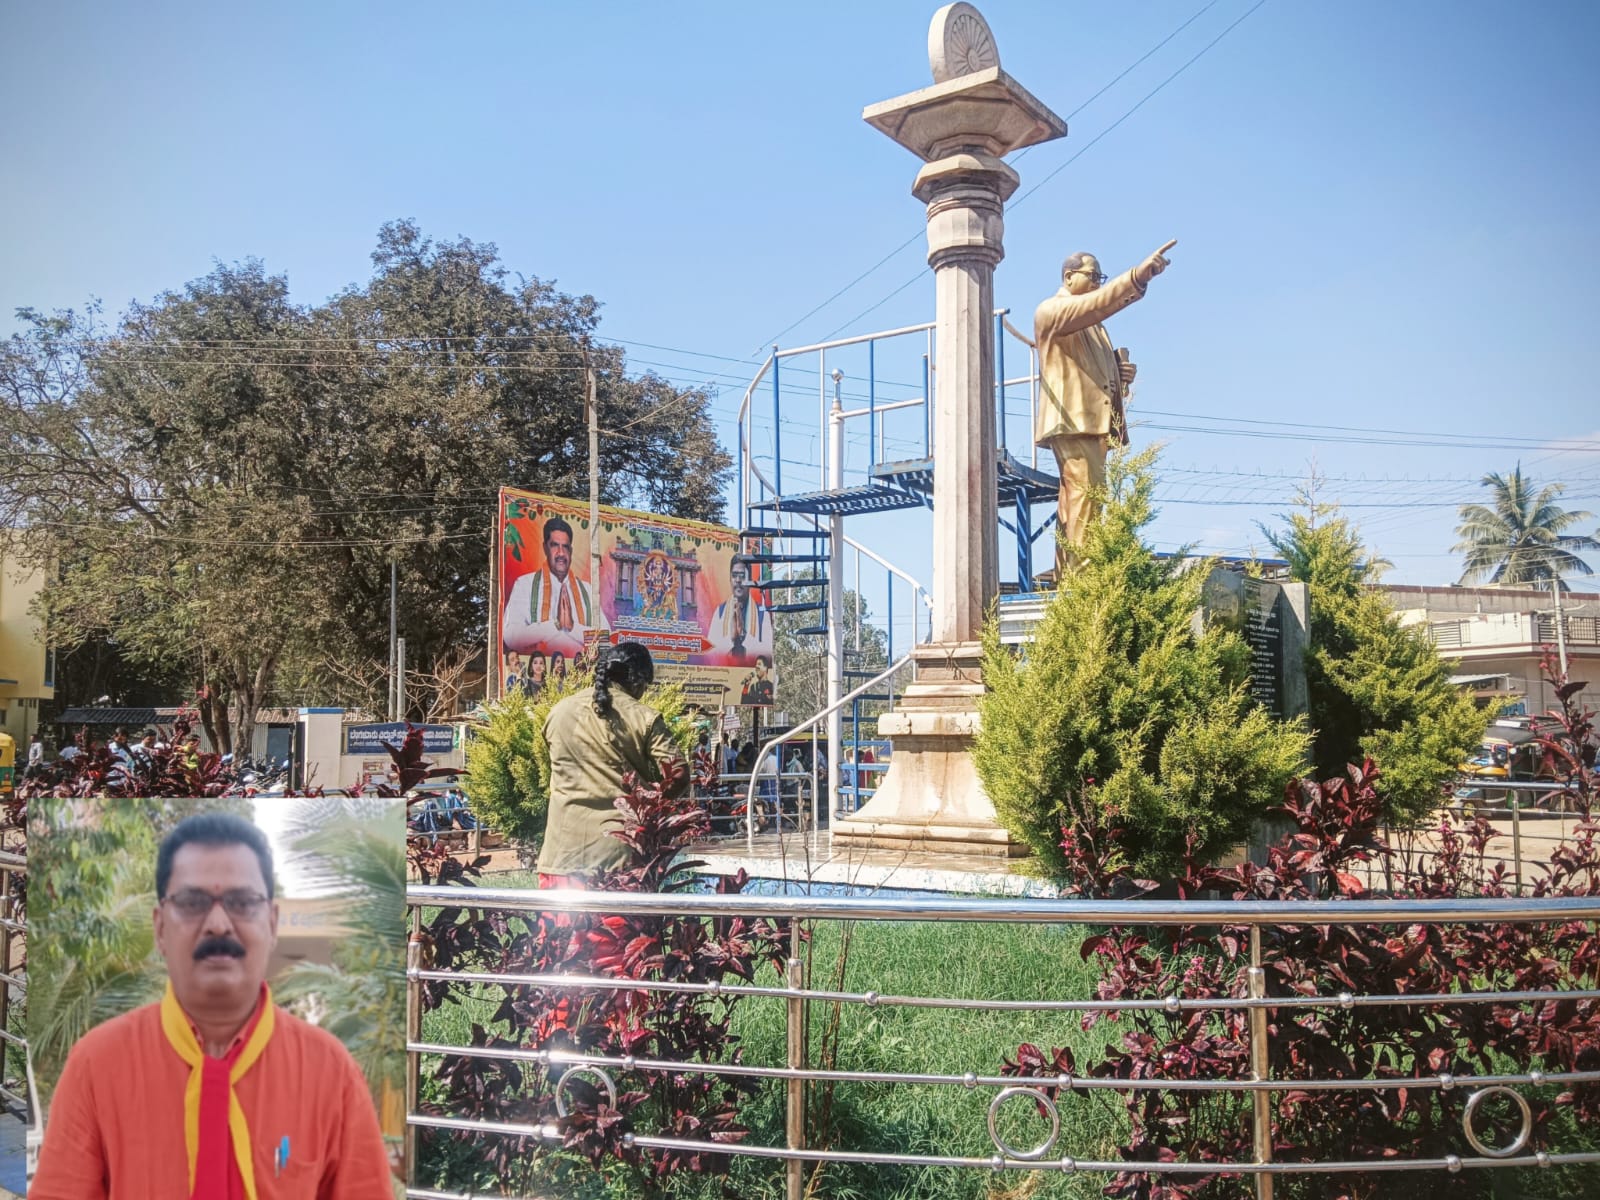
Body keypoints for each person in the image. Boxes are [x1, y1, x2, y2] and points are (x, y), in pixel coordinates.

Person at [31, 812, 391, 1199]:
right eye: (192, 902)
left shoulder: (329, 1071)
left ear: (272, 924)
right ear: (160, 928)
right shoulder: (98, 1064)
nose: (218, 923)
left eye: (242, 902)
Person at [1034, 239, 1176, 577]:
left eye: (1101, 277)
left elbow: (1093, 367)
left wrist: (1119, 373)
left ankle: (1072, 575)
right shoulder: (1052, 310)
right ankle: (1083, 580)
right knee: (1086, 496)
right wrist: (1136, 277)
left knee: (1080, 499)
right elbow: (1098, 305)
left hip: (1091, 421)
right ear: (1069, 277)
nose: (1098, 283)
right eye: (1093, 276)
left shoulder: (1094, 326)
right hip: (1073, 419)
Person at [537, 642, 687, 885]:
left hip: (561, 858)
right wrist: (653, 806)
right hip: (621, 860)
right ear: (638, 681)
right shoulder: (644, 717)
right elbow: (679, 774)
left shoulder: (558, 712)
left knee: (560, 914)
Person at [501, 515, 611, 661]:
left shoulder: (586, 590)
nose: (561, 553)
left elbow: (606, 639)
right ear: (545, 548)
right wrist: (555, 625)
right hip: (540, 672)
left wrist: (573, 628)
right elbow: (511, 636)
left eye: (565, 546)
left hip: (584, 673)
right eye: (554, 545)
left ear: (571, 551)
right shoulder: (525, 584)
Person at [706, 554, 773, 662]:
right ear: (730, 579)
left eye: (742, 576)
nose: (738, 580)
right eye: (734, 575)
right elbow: (709, 657)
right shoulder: (719, 613)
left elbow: (767, 658)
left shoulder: (762, 614)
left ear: (750, 580)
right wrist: (731, 640)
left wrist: (743, 635)